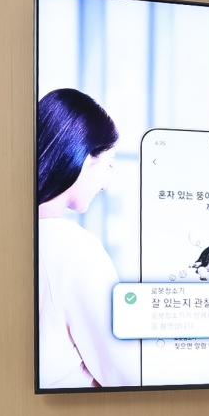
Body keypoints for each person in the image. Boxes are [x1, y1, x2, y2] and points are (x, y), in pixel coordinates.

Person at [37, 88, 140, 389]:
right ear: (84, 156)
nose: (106, 184)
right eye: (109, 164)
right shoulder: (73, 248)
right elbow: (126, 375)